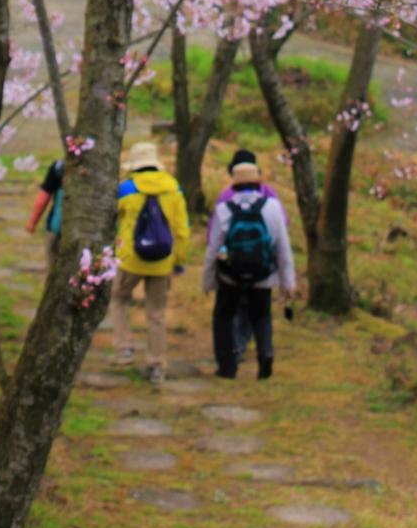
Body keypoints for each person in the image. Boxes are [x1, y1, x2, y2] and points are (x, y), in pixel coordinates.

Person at [203, 155, 295, 380]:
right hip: (263, 275)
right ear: (258, 182)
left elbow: (213, 248)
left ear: (233, 184)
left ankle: (227, 365)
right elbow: (283, 247)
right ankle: (265, 355)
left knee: (224, 316)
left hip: (231, 276)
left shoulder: (224, 209)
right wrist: (288, 282)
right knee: (261, 316)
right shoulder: (273, 207)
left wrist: (208, 281)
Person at [113, 141, 189, 385]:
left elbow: (113, 219)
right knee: (157, 313)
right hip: (162, 260)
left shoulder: (126, 188)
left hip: (130, 260)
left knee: (119, 298)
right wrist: (178, 261)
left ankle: (125, 346)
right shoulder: (173, 187)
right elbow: (182, 230)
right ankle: (156, 364)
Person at [25, 158, 64, 270]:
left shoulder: (59, 167)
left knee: (54, 270)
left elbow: (43, 198)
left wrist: (32, 222)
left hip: (56, 229)